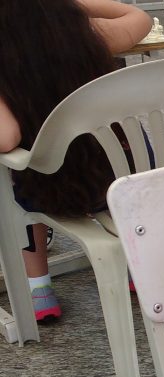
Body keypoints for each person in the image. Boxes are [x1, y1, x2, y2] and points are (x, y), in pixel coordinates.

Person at [0, 0, 151, 322]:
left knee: (18, 174)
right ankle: (135, 268)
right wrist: (75, 6)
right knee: (112, 154)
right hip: (124, 181)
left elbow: (6, 138)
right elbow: (140, 17)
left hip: (50, 192)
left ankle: (40, 289)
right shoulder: (92, 34)